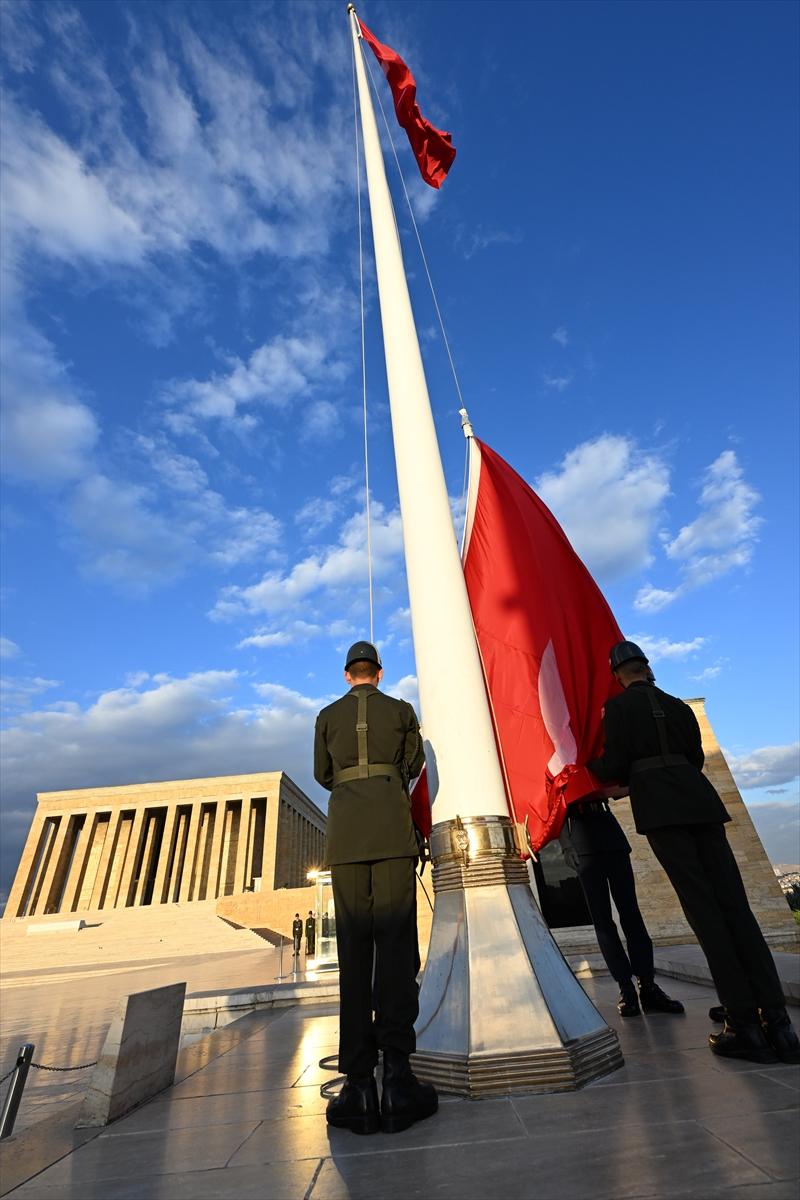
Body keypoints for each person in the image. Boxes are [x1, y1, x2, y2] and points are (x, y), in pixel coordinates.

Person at [587, 640, 800, 1065]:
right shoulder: (680, 708)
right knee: (736, 908)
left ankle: (743, 1024)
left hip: (663, 812)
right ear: (646, 667)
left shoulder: (619, 710)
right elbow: (694, 759)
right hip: (699, 802)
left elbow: (613, 765)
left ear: (617, 675)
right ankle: (777, 1023)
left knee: (705, 912)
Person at [314, 640, 437, 1136]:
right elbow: (412, 766)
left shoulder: (326, 715)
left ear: (348, 676)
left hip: (346, 839)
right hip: (391, 833)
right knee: (395, 948)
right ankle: (400, 1078)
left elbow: (324, 774)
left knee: (355, 953)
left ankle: (360, 1085)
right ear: (378, 674)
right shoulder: (402, 710)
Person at [559, 802, 684, 1018]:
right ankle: (626, 988)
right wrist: (566, 845)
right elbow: (556, 809)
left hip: (610, 832)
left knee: (631, 913)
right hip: (581, 839)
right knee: (603, 921)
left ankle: (648, 986)